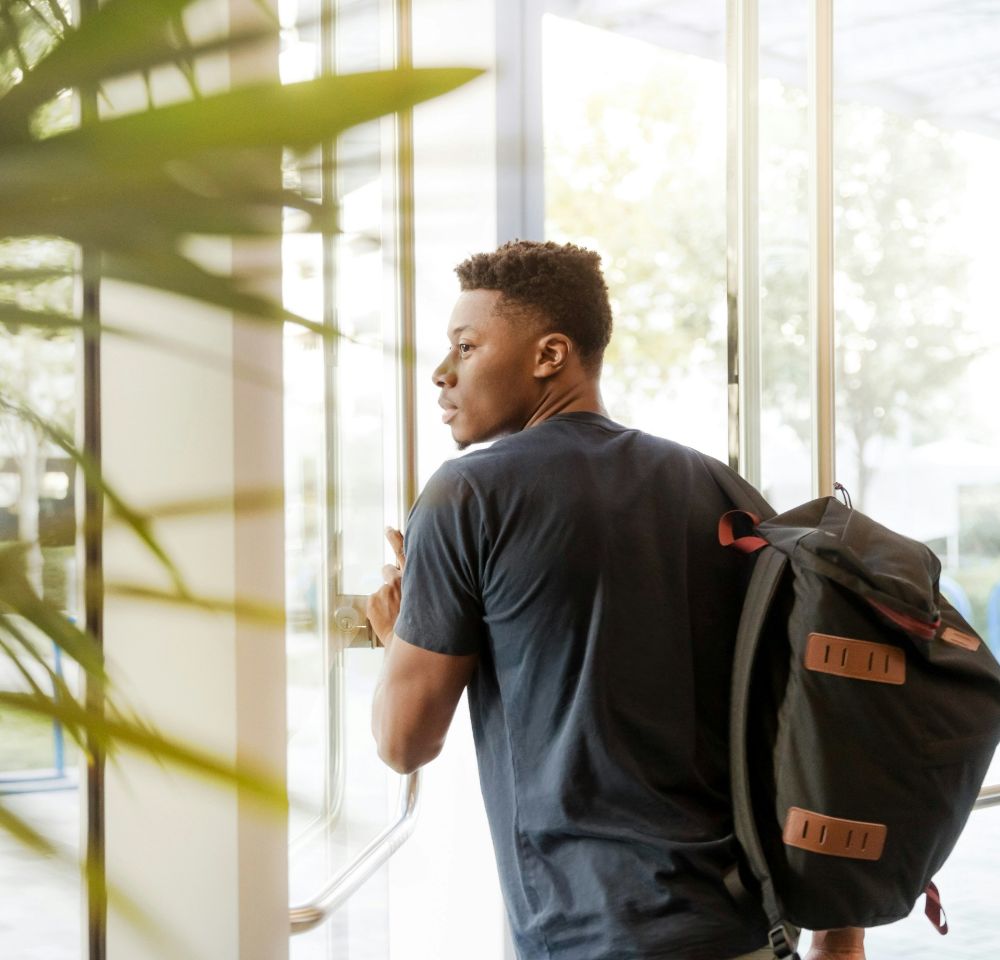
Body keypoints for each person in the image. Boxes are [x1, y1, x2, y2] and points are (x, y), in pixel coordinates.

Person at [366, 240, 864, 960]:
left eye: (466, 346)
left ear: (550, 354)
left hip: (594, 936)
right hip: (748, 928)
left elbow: (402, 742)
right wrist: (839, 936)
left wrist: (399, 636)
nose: (442, 375)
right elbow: (809, 715)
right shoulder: (722, 491)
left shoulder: (466, 494)